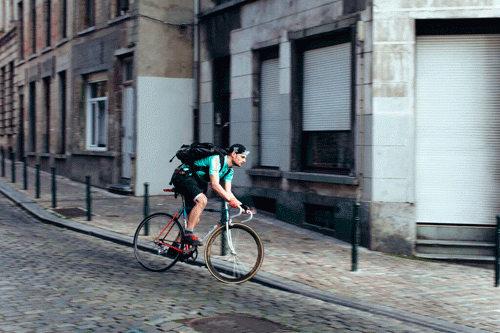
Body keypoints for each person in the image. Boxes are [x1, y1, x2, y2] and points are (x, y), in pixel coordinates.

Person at [170, 143, 250, 247]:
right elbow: (215, 185)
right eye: (242, 157)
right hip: (184, 176)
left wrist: (240, 205)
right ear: (233, 154)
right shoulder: (216, 160)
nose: (244, 160)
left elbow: (228, 192)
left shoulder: (229, 170)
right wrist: (231, 201)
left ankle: (175, 246)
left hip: (197, 182)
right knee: (202, 200)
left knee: (194, 218)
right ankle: (188, 234)